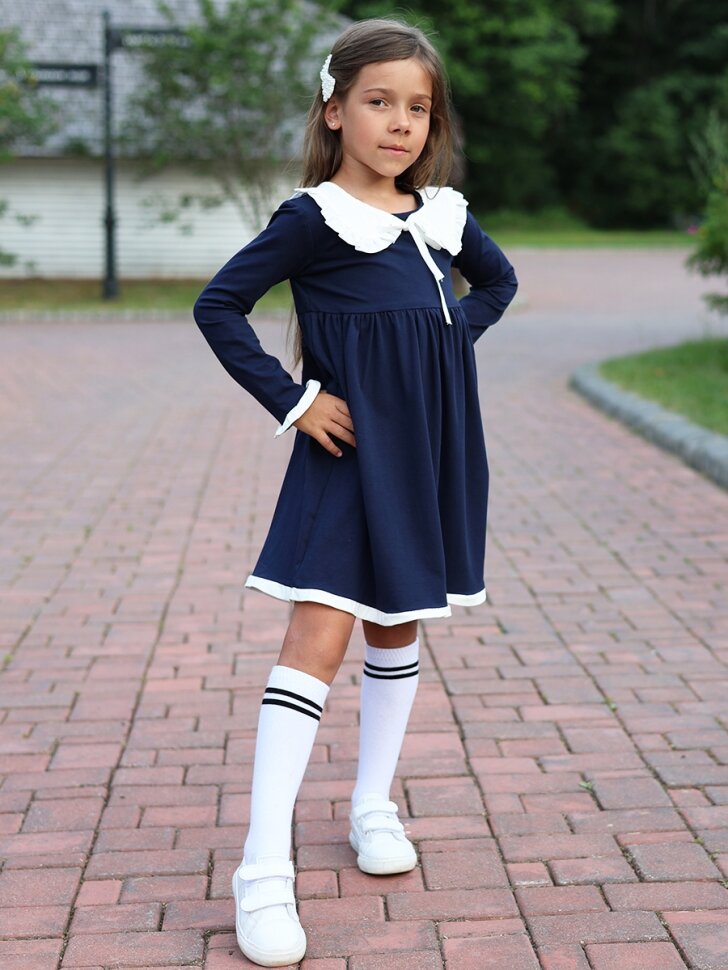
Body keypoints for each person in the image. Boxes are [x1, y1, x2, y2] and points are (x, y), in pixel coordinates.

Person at [193, 16, 518, 967]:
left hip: (429, 456)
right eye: (380, 102)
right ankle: (263, 868)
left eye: (418, 108)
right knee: (318, 635)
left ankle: (373, 804)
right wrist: (296, 402)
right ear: (335, 111)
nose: (401, 123)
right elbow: (219, 306)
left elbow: (496, 285)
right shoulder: (313, 219)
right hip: (347, 456)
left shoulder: (443, 215)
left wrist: (444, 348)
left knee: (397, 622)